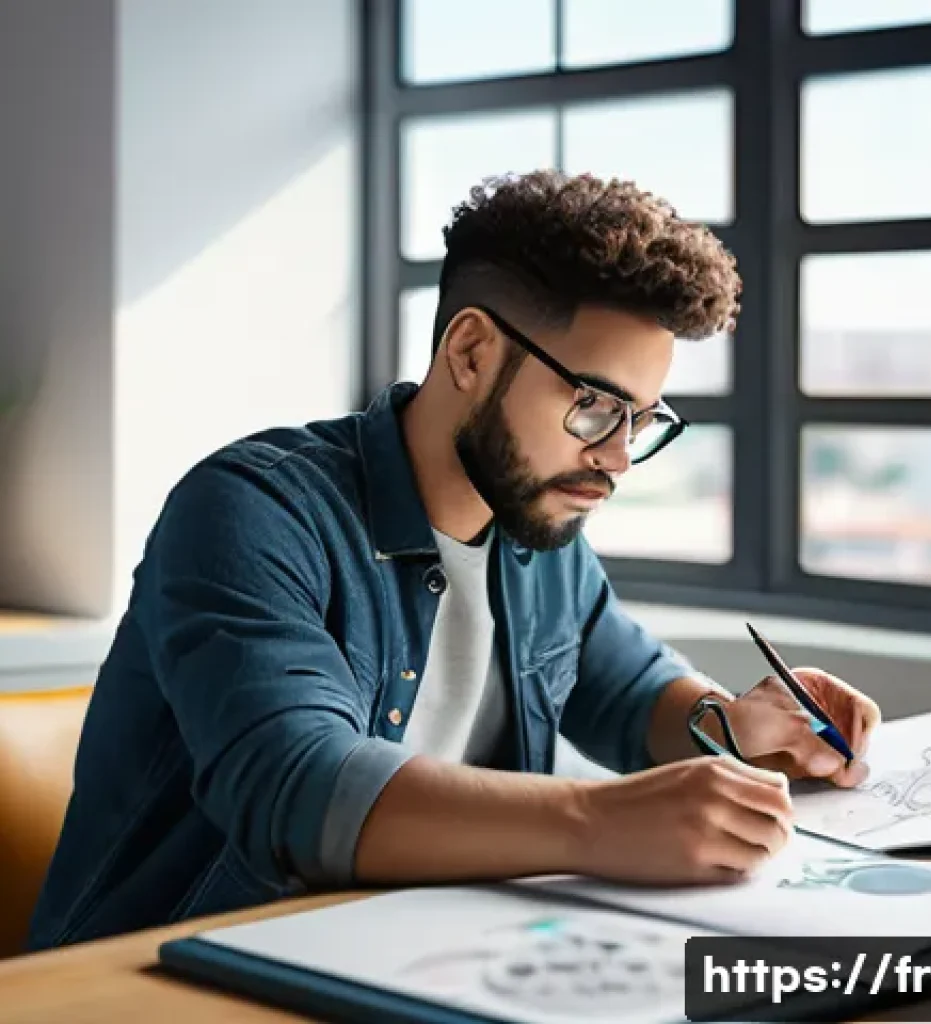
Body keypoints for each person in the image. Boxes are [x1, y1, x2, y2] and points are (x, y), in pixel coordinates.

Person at [28, 170, 880, 950]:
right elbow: (296, 789)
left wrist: (735, 725)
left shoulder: (537, 530)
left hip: (424, 960)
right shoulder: (252, 510)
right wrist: (598, 819)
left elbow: (629, 693)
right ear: (470, 353)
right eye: (592, 406)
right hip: (165, 979)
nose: (617, 458)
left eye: (643, 420)